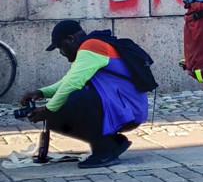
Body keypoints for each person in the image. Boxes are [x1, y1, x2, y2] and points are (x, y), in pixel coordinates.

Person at [21, 20, 149, 169]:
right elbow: (68, 80)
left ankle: (104, 152)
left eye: (61, 47)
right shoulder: (91, 47)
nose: (62, 53)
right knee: (57, 114)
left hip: (129, 110)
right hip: (127, 108)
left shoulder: (92, 47)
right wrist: (41, 93)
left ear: (70, 39)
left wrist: (48, 109)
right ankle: (112, 142)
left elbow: (72, 84)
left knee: (76, 99)